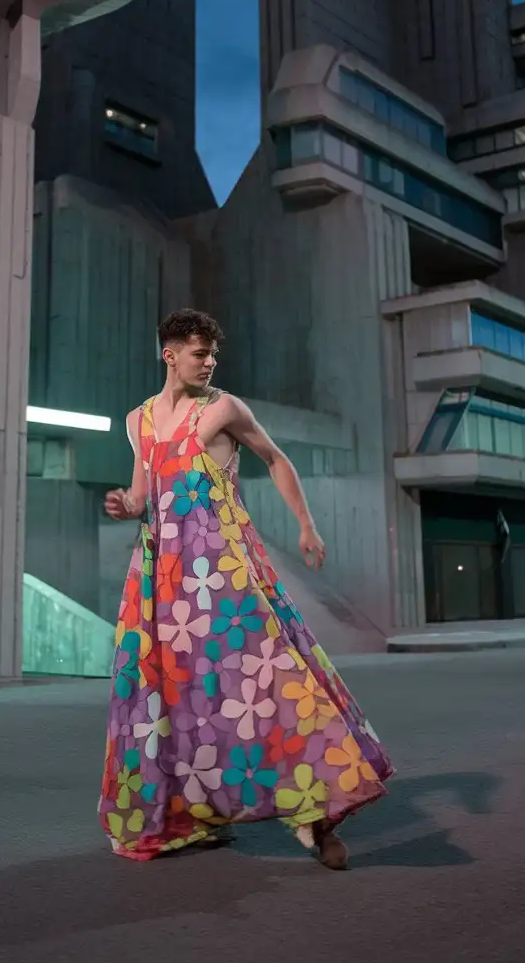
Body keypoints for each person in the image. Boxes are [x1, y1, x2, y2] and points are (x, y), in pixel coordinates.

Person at [100, 308, 393, 866]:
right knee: (176, 697)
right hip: (163, 578)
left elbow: (274, 458)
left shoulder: (223, 409)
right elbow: (142, 495)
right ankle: (192, 814)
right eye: (198, 353)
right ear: (170, 354)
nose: (209, 363)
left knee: (270, 682)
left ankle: (317, 818)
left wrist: (306, 524)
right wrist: (124, 505)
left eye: (213, 354)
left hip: (224, 570)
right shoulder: (138, 421)